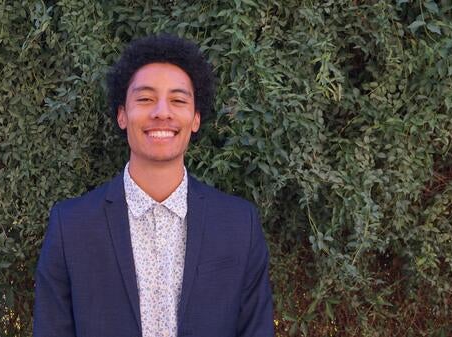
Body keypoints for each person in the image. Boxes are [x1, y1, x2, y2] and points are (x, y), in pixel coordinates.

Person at [33, 34, 274, 337]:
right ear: (122, 114)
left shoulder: (239, 225)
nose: (162, 112)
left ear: (196, 117)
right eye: (145, 99)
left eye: (178, 100)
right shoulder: (71, 226)